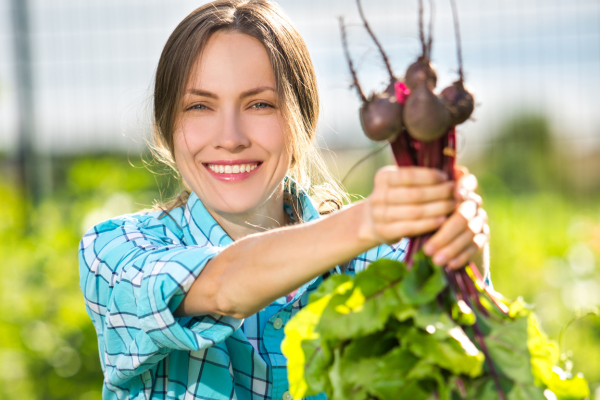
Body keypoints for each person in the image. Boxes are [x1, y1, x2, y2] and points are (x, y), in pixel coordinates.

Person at [79, 1, 490, 399]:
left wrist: (466, 262)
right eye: (199, 106)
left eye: (259, 104)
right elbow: (221, 287)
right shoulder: (116, 253)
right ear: (167, 128)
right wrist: (368, 222)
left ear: (301, 122)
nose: (231, 137)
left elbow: (468, 370)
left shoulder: (381, 263)